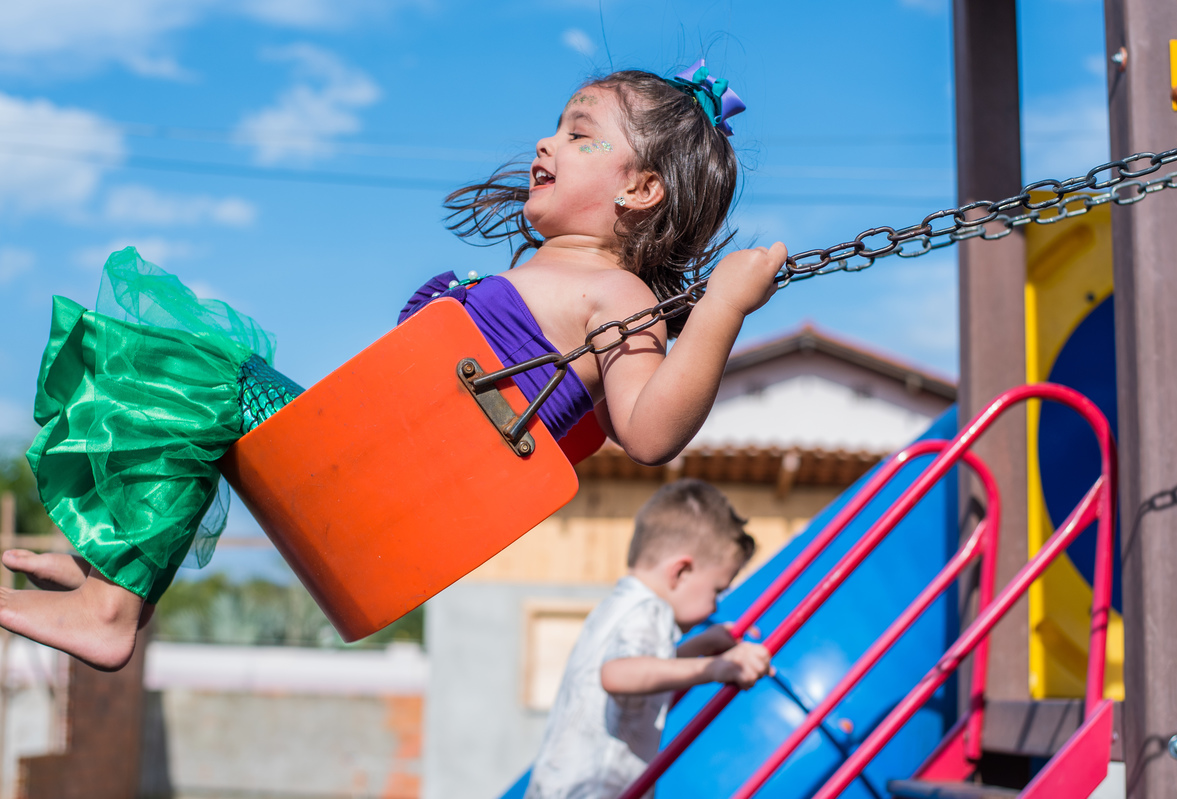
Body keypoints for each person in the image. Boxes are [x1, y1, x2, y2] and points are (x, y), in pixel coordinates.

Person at [0, 60, 787, 671]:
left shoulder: (614, 294)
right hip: (368, 460)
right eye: (556, 126)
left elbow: (649, 431)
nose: (547, 142)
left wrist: (720, 307)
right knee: (188, 376)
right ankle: (121, 570)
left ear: (642, 189)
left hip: (390, 486)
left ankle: (111, 603)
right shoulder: (549, 276)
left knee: (198, 361)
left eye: (582, 135)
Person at [526, 479, 772, 799]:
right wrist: (714, 668)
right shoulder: (649, 610)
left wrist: (698, 647)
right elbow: (617, 674)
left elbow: (644, 669)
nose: (716, 605)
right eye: (717, 590)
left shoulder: (624, 604)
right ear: (680, 572)